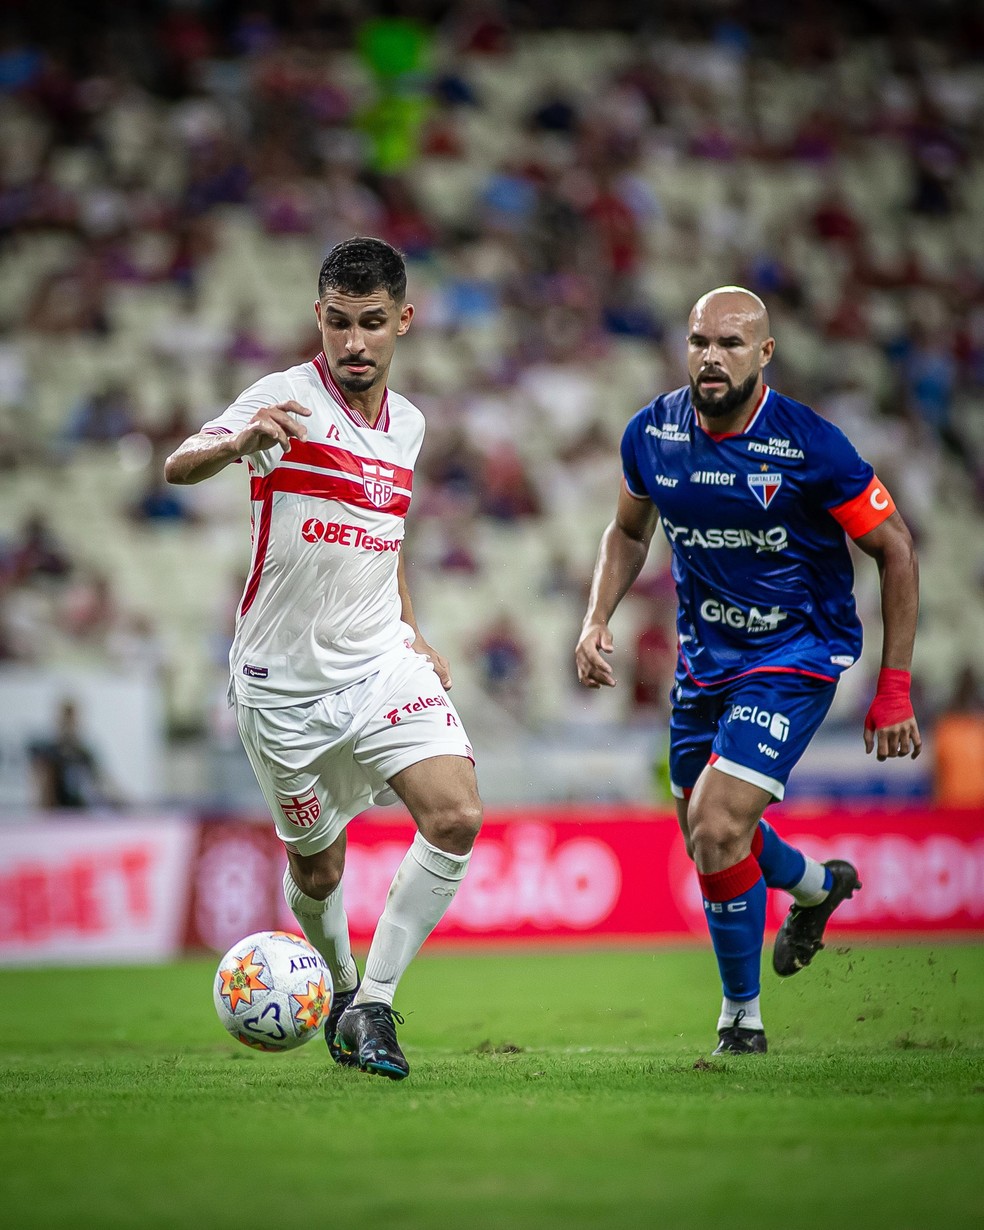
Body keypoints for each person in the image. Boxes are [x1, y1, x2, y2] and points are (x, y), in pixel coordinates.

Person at [164, 237, 482, 1080]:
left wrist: (411, 627)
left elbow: (387, 539)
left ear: (402, 321)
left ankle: (374, 1003)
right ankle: (339, 986)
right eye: (338, 322)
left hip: (380, 662)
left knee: (454, 816)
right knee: (319, 863)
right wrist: (238, 445)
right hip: (280, 688)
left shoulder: (409, 425)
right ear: (319, 317)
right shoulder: (281, 398)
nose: (353, 342)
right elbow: (176, 464)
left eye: (372, 324)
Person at [575, 286, 920, 1055]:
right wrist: (598, 616)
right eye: (700, 341)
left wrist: (894, 688)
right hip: (705, 663)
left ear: (765, 354)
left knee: (718, 822)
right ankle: (815, 886)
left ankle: (742, 1020)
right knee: (709, 839)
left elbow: (894, 546)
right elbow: (628, 533)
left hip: (796, 654)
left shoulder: (810, 445)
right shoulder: (652, 433)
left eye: (731, 344)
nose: (711, 358)